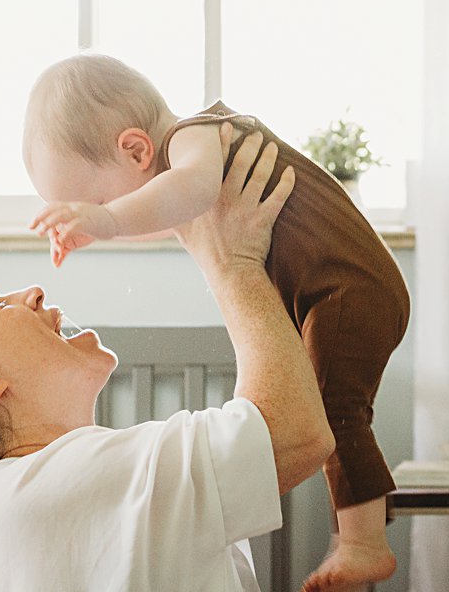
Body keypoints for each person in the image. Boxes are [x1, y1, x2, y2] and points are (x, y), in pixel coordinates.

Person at [0, 125, 332, 591]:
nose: (32, 291)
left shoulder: (19, 497)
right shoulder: (46, 489)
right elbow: (295, 433)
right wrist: (235, 263)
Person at [25, 53, 409, 592]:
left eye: (100, 198)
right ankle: (361, 535)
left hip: (352, 289)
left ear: (136, 149)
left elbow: (190, 194)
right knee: (332, 405)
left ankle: (366, 544)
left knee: (336, 409)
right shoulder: (185, 165)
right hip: (331, 293)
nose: (112, 213)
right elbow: (170, 210)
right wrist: (104, 224)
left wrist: (109, 221)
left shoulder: (195, 138)